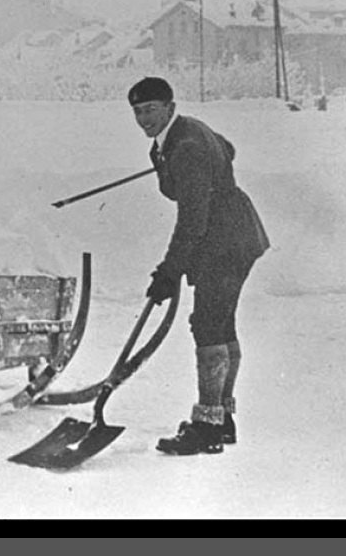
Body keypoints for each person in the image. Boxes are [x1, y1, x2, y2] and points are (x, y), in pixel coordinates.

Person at [128, 77, 270, 455]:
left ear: (170, 107)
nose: (144, 120)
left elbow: (192, 219)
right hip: (236, 233)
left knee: (208, 324)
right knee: (220, 323)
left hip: (222, 239)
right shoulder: (186, 132)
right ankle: (221, 418)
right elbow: (228, 148)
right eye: (138, 113)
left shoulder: (185, 145)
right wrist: (171, 160)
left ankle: (208, 427)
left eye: (151, 110)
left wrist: (168, 271)